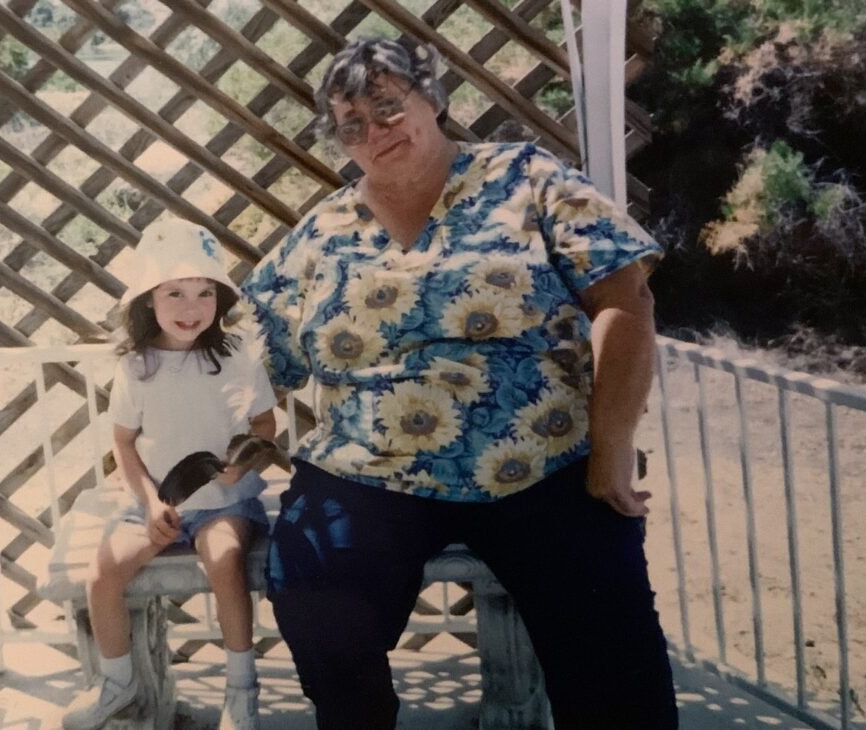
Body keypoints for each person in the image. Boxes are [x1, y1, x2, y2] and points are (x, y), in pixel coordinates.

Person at [240, 37, 678, 729]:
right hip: (370, 470)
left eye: (388, 108)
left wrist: (612, 442)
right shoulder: (322, 232)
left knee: (614, 666)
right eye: (351, 125)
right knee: (314, 589)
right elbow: (252, 355)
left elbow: (624, 298)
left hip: (543, 460)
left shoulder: (525, 177)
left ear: (433, 99)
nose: (375, 132)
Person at [63, 218, 276, 730]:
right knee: (103, 573)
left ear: (220, 300)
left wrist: (242, 463)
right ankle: (119, 684)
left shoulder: (236, 356)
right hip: (158, 505)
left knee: (224, 559)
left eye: (205, 293)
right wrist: (151, 501)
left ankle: (242, 692)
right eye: (174, 293)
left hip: (225, 503)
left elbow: (266, 424)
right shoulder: (137, 367)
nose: (191, 307)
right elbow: (123, 444)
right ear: (148, 301)